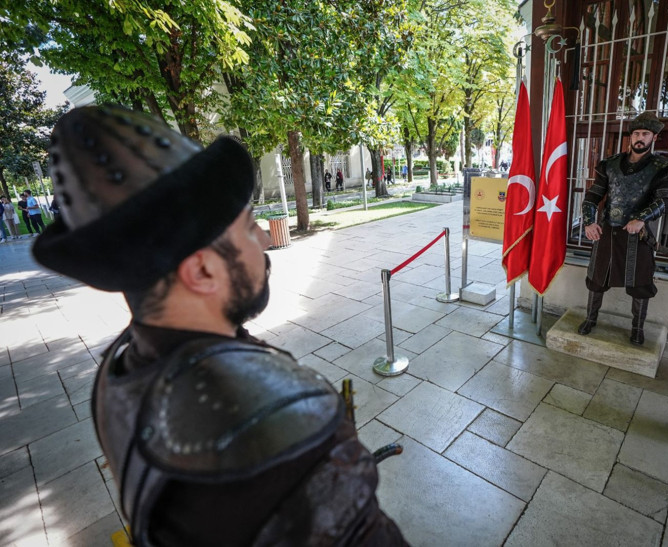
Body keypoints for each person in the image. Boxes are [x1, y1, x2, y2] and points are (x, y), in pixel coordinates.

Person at [33, 105, 406, 546]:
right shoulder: (286, 431)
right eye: (250, 229)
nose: (266, 239)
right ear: (203, 272)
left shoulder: (118, 371)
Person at [578, 111, 668, 345]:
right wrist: (589, 222)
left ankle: (637, 328)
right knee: (596, 278)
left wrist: (642, 218)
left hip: (637, 234)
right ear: (630, 137)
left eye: (645, 134)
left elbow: (666, 200)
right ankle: (590, 319)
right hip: (607, 231)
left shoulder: (661, 167)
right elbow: (593, 196)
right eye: (636, 134)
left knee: (641, 283)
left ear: (654, 137)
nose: (639, 138)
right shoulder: (610, 165)